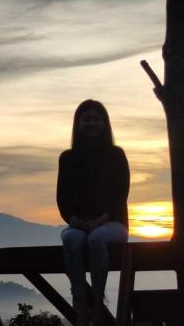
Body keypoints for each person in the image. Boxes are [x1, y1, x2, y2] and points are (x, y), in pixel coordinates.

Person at [57, 99, 130, 326]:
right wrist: (74, 220)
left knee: (97, 239)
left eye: (97, 119)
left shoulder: (116, 155)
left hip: (113, 224)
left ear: (105, 123)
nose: (92, 123)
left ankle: (98, 304)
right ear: (78, 123)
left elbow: (121, 195)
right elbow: (62, 198)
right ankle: (81, 302)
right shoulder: (67, 158)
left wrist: (101, 220)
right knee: (69, 238)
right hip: (80, 225)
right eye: (87, 119)